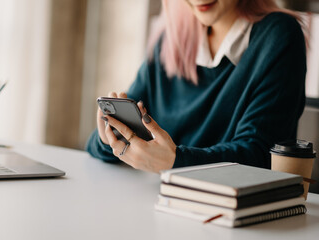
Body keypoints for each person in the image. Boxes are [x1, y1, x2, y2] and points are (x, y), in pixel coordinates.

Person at [86, 0, 307, 174]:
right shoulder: (169, 39)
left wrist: (175, 162)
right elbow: (95, 146)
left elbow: (259, 155)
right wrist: (109, 138)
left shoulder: (279, 35)